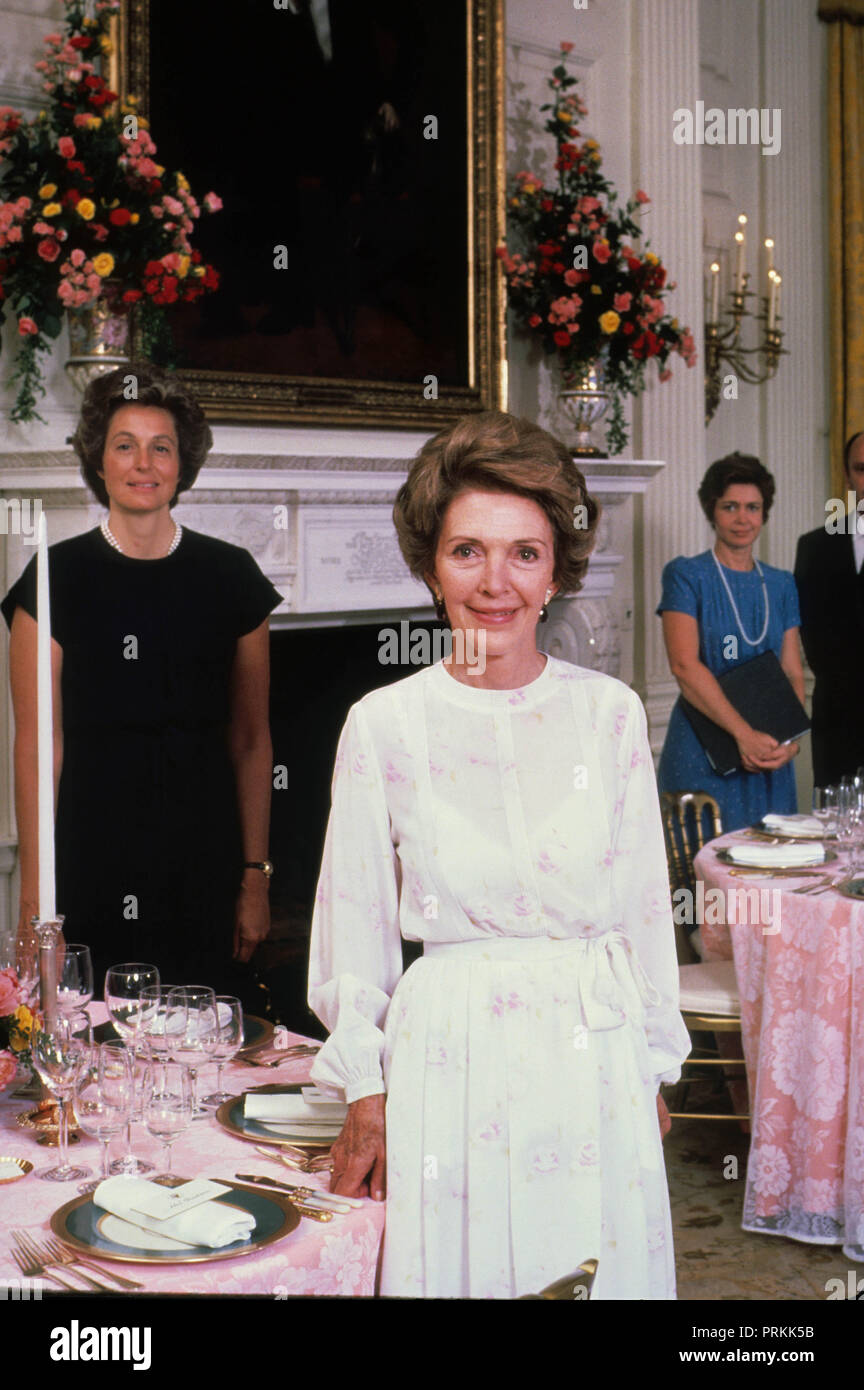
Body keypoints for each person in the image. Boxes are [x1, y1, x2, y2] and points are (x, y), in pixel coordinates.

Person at [307, 411, 690, 1299]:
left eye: (524, 553)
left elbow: (641, 913)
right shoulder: (383, 724)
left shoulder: (611, 715)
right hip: (450, 1059)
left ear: (556, 570)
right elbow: (353, 926)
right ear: (430, 564)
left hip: (590, 1054)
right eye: (467, 551)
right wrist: (367, 1092)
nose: (495, 583)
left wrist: (650, 1064)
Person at [3, 366, 281, 1003]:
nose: (143, 462)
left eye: (162, 446)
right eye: (124, 444)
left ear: (183, 466)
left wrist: (255, 880)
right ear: (98, 461)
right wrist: (35, 904)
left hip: (205, 861)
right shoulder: (52, 580)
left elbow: (251, 738)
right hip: (90, 860)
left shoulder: (232, 576)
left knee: (203, 1057)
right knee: (96, 1050)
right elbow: (39, 748)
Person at [657, 452, 805, 832]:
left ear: (764, 513)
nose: (743, 519)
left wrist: (791, 737)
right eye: (730, 507)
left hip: (770, 756)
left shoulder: (781, 582)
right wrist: (743, 735)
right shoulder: (686, 574)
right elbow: (684, 667)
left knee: (771, 874)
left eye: (753, 507)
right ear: (712, 511)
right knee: (705, 880)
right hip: (704, 753)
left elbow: (791, 669)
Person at [794, 431, 864, 786]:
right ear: (848, 475)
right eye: (862, 469)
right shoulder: (814, 547)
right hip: (837, 723)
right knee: (835, 834)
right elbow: (811, 634)